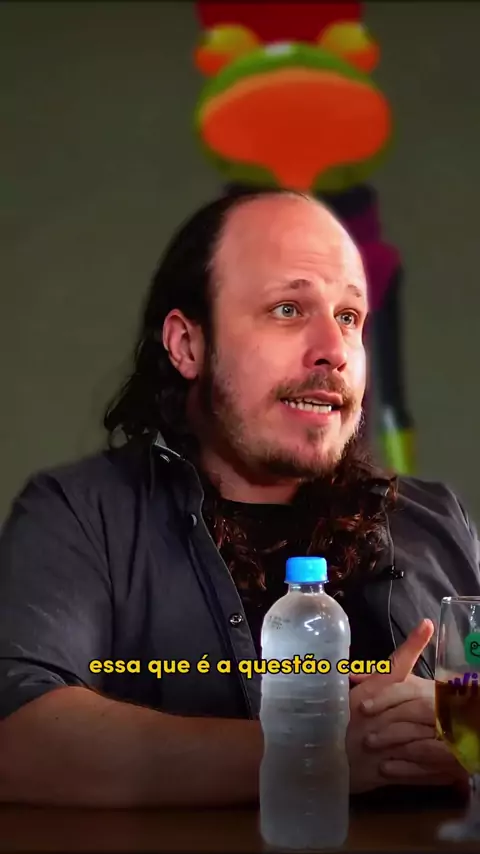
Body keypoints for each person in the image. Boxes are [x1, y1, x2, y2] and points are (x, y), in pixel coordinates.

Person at [0, 189, 477, 809]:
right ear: (187, 345)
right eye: (287, 308)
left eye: (349, 317)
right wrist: (317, 752)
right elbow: (18, 734)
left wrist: (460, 734)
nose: (334, 351)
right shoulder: (79, 515)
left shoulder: (437, 520)